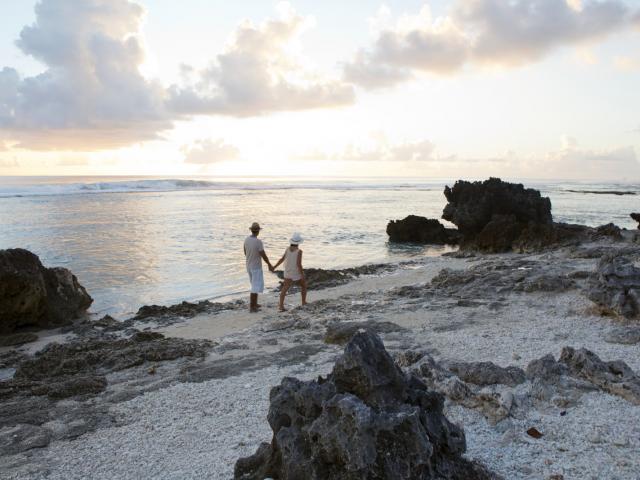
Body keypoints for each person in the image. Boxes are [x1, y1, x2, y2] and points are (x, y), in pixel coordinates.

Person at [273, 232, 307, 312]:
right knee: (304, 285)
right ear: (298, 243)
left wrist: (274, 267)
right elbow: (299, 264)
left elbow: (282, 259)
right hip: (295, 273)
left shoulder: (287, 249)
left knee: (284, 289)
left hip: (287, 272)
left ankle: (281, 306)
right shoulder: (299, 251)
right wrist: (302, 274)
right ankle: (303, 302)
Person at [244, 222, 273, 313]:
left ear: (251, 230)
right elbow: (263, 255)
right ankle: (252, 307)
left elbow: (245, 251)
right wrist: (269, 264)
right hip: (256, 266)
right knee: (255, 287)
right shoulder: (258, 242)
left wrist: (250, 257)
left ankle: (255, 303)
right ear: (258, 231)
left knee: (254, 285)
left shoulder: (247, 239)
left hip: (248, 265)